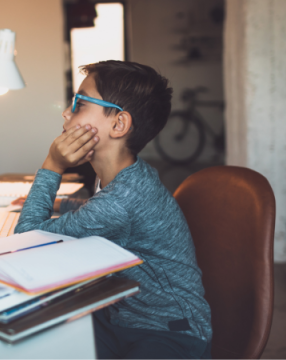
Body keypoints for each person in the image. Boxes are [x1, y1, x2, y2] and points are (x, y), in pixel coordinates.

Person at [14, 60, 212, 359]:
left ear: (118, 124)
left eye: (79, 104)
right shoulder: (130, 175)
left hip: (168, 332)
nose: (66, 113)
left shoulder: (121, 201)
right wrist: (61, 202)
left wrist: (52, 165)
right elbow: (98, 209)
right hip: (124, 317)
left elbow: (26, 236)